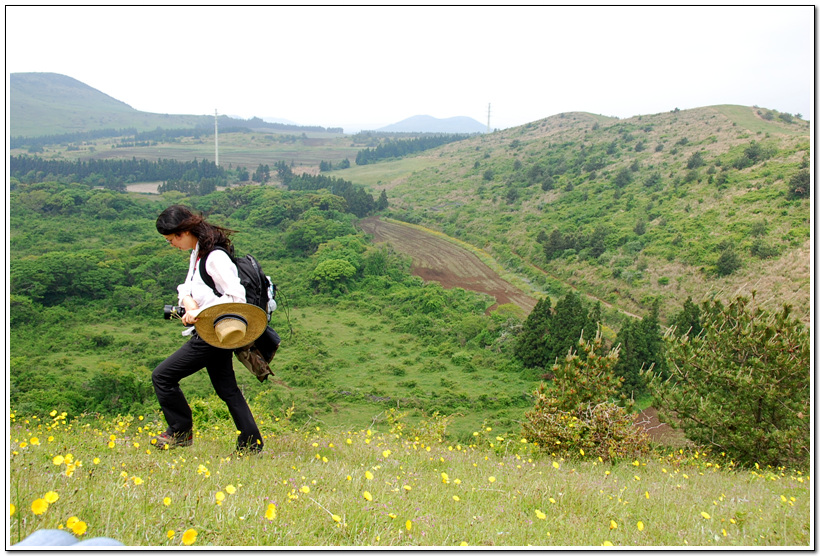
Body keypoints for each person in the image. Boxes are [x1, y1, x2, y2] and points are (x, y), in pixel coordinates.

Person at [152, 205, 264, 454]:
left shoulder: (215, 257)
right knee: (227, 390)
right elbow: (187, 287)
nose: (171, 245)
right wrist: (189, 303)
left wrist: (199, 313)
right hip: (212, 333)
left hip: (213, 334)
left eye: (171, 240)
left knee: (163, 376)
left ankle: (180, 431)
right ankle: (251, 444)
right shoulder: (198, 253)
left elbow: (237, 298)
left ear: (184, 232)